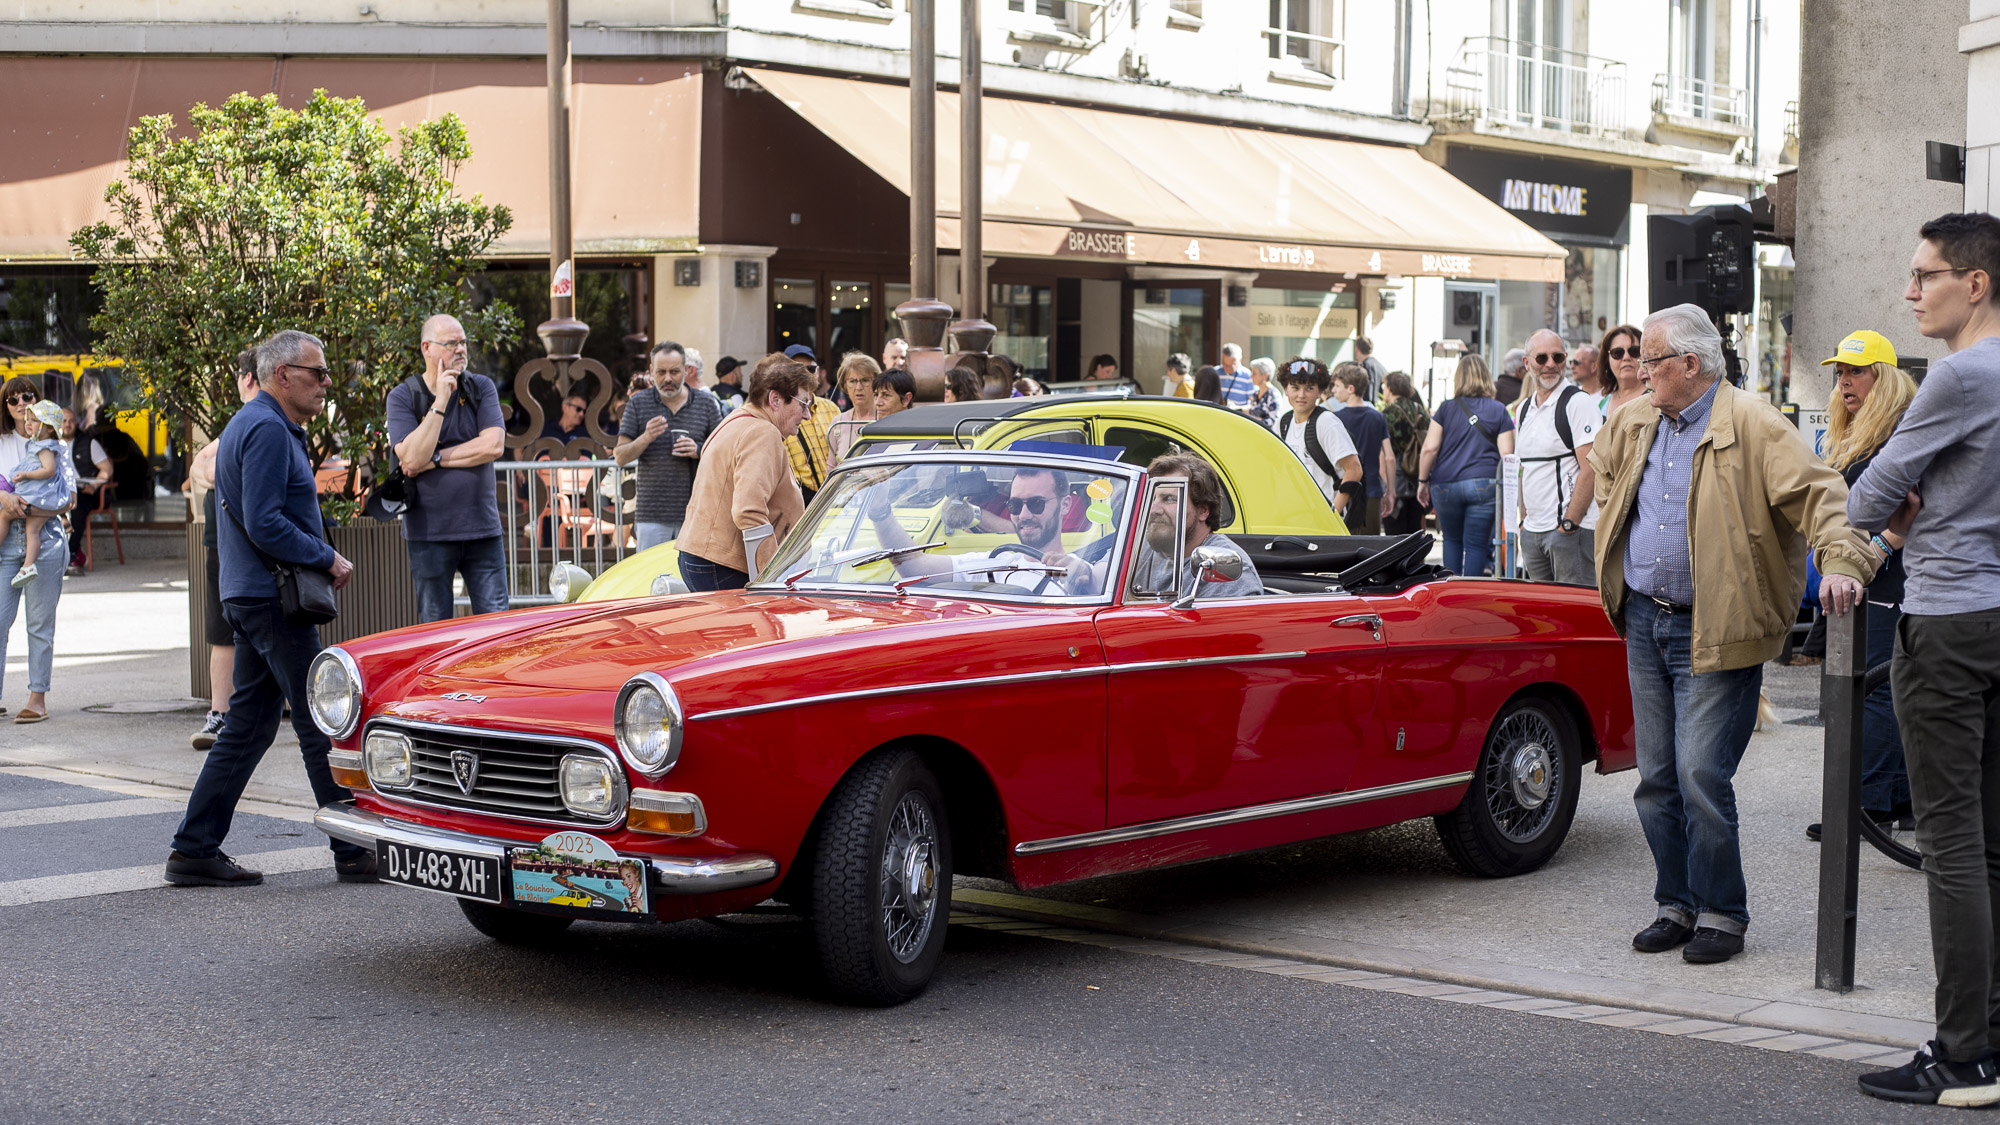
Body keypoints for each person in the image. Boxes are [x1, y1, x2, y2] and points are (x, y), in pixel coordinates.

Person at [1593, 303, 1874, 967]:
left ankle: (1722, 911)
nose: (1636, 370)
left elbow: (1823, 498)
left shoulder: (1752, 422)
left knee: (1698, 775)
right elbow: (1605, 470)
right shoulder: (1634, 418)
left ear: (1688, 365)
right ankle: (1675, 902)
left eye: (1649, 359)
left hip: (1718, 627)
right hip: (1643, 618)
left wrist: (1840, 562)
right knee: (1656, 776)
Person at [1849, 212, 2000, 1107]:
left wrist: (1904, 512)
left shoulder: (1956, 376)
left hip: (1948, 617)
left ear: (1974, 284)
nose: (1911, 291)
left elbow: (1868, 492)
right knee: (1993, 839)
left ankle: (1964, 1053)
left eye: (1925, 275)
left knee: (1948, 840)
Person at [166, 329, 370, 887]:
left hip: (254, 593)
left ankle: (194, 848)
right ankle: (353, 849)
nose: (326, 383)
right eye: (316, 373)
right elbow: (264, 520)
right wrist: (326, 556)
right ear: (283, 375)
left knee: (248, 728)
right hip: (270, 596)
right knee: (318, 719)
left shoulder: (258, 423)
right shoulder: (266, 428)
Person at [1800, 331, 1914, 843]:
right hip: (1862, 579)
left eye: (1857, 371)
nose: (1845, 381)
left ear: (1883, 378)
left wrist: (1880, 550)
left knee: (1874, 692)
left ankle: (1867, 807)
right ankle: (1898, 802)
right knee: (1880, 691)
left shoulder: (1899, 431)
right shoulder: (1854, 433)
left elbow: (1915, 506)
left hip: (1891, 579)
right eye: (1840, 373)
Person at [387, 313, 508, 624]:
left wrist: (436, 459)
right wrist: (440, 401)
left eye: (464, 342)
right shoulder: (403, 396)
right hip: (430, 533)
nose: (461, 350)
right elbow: (412, 459)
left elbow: (493, 446)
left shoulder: (481, 387)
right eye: (451, 343)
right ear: (427, 348)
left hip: (483, 530)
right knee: (435, 626)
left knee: (496, 625)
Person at [676, 353, 812, 591]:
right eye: (803, 404)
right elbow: (748, 512)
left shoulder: (738, 420)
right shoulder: (762, 431)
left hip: (707, 558)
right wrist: (771, 579)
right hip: (723, 565)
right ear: (775, 399)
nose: (807, 415)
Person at [187, 351, 262, 749]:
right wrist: (218, 474)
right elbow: (200, 464)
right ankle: (220, 713)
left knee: (265, 627)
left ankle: (256, 710)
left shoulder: (267, 420)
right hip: (223, 540)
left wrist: (221, 476)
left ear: (247, 378)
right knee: (221, 629)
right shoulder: (239, 422)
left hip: (259, 542)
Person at [870, 465, 1089, 595]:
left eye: (1036, 504)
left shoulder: (1079, 569)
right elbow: (915, 566)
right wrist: (880, 510)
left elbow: (1099, 577)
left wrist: (1085, 575)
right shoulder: (995, 561)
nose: (1023, 515)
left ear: (1065, 505)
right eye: (1014, 505)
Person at [0, 378, 68, 723]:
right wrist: (5, 499)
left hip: (44, 537)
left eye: (27, 396)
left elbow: (69, 496)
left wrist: (32, 510)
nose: (21, 403)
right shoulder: (1, 441)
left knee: (39, 623)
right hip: (4, 537)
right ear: (5, 407)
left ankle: (37, 697)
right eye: (13, 400)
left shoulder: (52, 442)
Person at [615, 340, 722, 552]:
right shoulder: (638, 403)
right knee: (653, 580)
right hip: (652, 514)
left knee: (692, 582)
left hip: (697, 513)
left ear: (685, 370)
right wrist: (646, 437)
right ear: (651, 371)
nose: (667, 379)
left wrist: (698, 450)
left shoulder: (706, 403)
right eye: (661, 372)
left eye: (674, 371)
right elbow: (620, 456)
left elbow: (724, 451)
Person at [1512, 328, 1600, 586]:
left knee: (1574, 618)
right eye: (1542, 358)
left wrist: (1569, 524)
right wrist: (1524, 524)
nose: (1550, 364)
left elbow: (1591, 468)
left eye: (1558, 357)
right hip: (1533, 534)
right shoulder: (1524, 409)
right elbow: (1524, 469)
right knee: (1543, 618)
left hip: (1570, 533)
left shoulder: (1578, 403)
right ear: (1527, 363)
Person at [1417, 354, 1515, 575]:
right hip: (1484, 483)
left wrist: (1422, 481)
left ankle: (1450, 595)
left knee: (1451, 540)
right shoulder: (1499, 409)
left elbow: (1430, 448)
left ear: (1458, 378)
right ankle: (1469, 599)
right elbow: (1507, 454)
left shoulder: (1445, 409)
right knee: (1476, 545)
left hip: (1445, 484)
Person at [1126, 453, 1262, 599]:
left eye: (1169, 499)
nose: (1153, 509)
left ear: (1203, 511)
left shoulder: (1225, 569)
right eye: (1151, 498)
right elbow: (1100, 576)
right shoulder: (1144, 545)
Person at [1274, 358, 1364, 522]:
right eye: (1295, 388)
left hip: (1322, 522)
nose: (1301, 395)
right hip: (1292, 516)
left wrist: (1332, 515)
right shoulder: (1283, 423)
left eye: (1309, 388)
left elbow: (1355, 470)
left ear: (1320, 391)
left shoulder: (1326, 422)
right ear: (1285, 389)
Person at [0, 400, 75, 588]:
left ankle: (27, 565)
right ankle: (28, 566)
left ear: (48, 428)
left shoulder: (44, 446)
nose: (29, 422)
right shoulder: (41, 443)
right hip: (43, 497)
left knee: (7, 517)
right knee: (31, 530)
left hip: (41, 497)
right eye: (29, 419)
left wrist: (25, 474)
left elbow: (48, 470)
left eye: (34, 420)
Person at [1330, 364, 1394, 535]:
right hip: (1372, 488)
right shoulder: (1377, 417)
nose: (1333, 390)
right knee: (1371, 546)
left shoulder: (1335, 419)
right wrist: (1390, 491)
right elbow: (1389, 457)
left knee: (1343, 542)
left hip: (1344, 491)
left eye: (1337, 386)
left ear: (1350, 388)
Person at [781, 343, 839, 505]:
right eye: (797, 370)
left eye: (811, 369)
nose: (805, 375)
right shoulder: (779, 412)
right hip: (798, 499)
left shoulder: (832, 409)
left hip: (833, 496)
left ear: (819, 372)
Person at [61, 406, 111, 573]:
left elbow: (107, 469)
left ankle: (72, 554)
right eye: (63, 421)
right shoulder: (51, 444)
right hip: (59, 492)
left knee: (77, 508)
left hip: (85, 491)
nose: (67, 425)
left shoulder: (89, 443)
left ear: (76, 423)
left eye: (71, 421)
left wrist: (94, 485)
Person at [1381, 371, 1429, 535]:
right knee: (1415, 529)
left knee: (1395, 533)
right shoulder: (1420, 410)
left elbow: (1385, 452)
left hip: (1397, 478)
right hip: (1419, 475)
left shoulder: (1388, 414)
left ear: (1390, 388)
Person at [829, 352, 882, 466]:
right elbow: (832, 469)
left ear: (876, 383)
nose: (858, 387)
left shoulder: (886, 419)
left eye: (865, 380)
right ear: (845, 385)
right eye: (852, 381)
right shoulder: (838, 423)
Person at [1598, 323, 1647, 418]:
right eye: (1617, 353)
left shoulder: (1655, 400)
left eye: (1634, 351)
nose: (1626, 357)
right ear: (1607, 360)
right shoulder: (1602, 404)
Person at [1244, 357, 1282, 426]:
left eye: (1254, 373)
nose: (1251, 376)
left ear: (1265, 375)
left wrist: (1257, 420)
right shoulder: (1255, 394)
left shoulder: (1273, 394)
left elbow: (1274, 421)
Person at [1215, 344, 1255, 409]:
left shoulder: (1248, 376)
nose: (1227, 368)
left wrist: (1237, 408)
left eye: (1231, 365)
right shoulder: (1215, 372)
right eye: (1225, 364)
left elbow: (1254, 404)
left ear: (1240, 360)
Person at [1354, 336, 1387, 405]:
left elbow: (1368, 391)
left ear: (1357, 349)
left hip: (1369, 406)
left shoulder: (1365, 366)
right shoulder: (1380, 366)